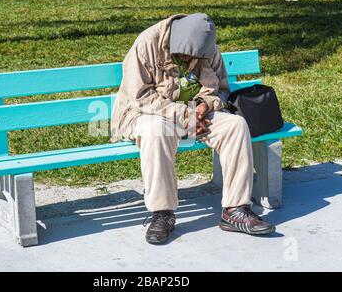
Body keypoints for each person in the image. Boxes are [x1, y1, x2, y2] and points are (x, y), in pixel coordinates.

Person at [110, 13, 275, 244]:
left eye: (196, 56)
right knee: (157, 131)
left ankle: (235, 210)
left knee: (235, 125)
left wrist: (204, 106)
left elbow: (223, 91)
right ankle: (162, 213)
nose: (190, 59)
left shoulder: (208, 49)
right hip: (146, 113)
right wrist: (185, 116)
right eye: (186, 55)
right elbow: (141, 97)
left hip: (195, 113)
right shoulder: (147, 43)